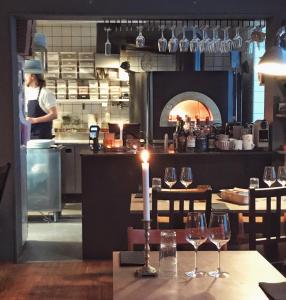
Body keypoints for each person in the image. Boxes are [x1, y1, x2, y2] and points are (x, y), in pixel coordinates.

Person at [24, 59, 57, 139]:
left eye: (26, 74)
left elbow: (54, 114)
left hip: (42, 138)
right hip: (30, 136)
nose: (24, 77)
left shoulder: (45, 93)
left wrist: (34, 120)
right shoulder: (27, 91)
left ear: (32, 76)